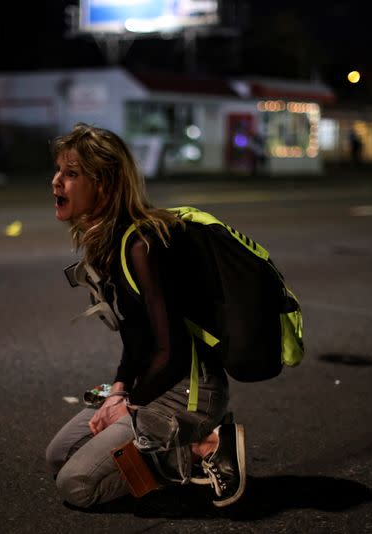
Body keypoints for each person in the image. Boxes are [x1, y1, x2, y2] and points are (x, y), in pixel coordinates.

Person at [44, 123, 246, 509]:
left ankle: (204, 445)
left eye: (71, 174)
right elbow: (137, 337)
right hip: (153, 381)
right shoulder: (109, 242)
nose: (56, 182)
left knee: (78, 485)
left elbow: (172, 348)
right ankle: (160, 444)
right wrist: (118, 389)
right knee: (59, 456)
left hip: (187, 392)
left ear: (103, 184)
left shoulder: (141, 244)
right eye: (58, 171)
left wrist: (129, 404)